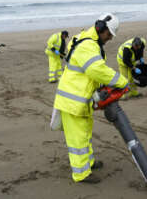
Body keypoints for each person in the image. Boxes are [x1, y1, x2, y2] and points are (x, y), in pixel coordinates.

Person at [53, 13, 128, 183]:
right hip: (72, 100)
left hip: (82, 99)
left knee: (85, 133)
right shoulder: (88, 45)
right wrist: (122, 81)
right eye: (109, 35)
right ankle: (81, 173)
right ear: (101, 29)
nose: (109, 39)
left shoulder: (86, 39)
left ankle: (89, 163)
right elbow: (96, 70)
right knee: (77, 138)